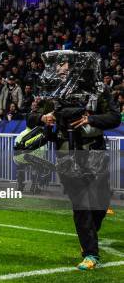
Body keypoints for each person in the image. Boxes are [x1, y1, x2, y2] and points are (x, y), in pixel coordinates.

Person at [28, 50, 120, 270]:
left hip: (95, 153)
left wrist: (91, 118)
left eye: (65, 65)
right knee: (81, 205)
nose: (60, 69)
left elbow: (115, 117)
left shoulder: (99, 90)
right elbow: (29, 119)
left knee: (100, 204)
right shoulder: (53, 94)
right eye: (58, 65)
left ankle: (89, 238)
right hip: (67, 155)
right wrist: (43, 117)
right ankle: (90, 253)